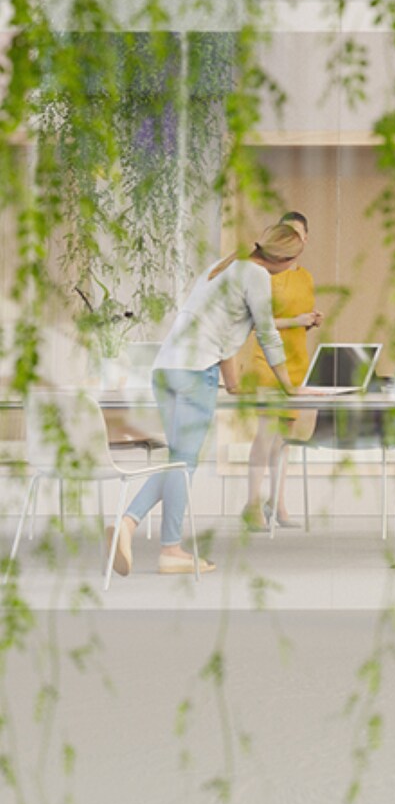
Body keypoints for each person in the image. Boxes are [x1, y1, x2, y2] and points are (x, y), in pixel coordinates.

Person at [115, 224, 306, 576]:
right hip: (193, 373)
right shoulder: (257, 276)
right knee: (183, 463)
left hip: (166, 370)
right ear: (288, 259)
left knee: (178, 461)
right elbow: (267, 334)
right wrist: (289, 386)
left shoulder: (222, 267)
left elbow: (219, 332)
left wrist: (232, 384)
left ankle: (142, 532)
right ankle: (155, 540)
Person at [236, 211, 323, 530]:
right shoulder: (265, 274)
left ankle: (279, 502)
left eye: (298, 235)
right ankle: (252, 503)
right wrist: (295, 321)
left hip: (296, 359)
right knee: (266, 433)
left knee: (284, 437)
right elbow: (257, 323)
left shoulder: (305, 276)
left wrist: (310, 321)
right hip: (267, 364)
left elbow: (300, 315)